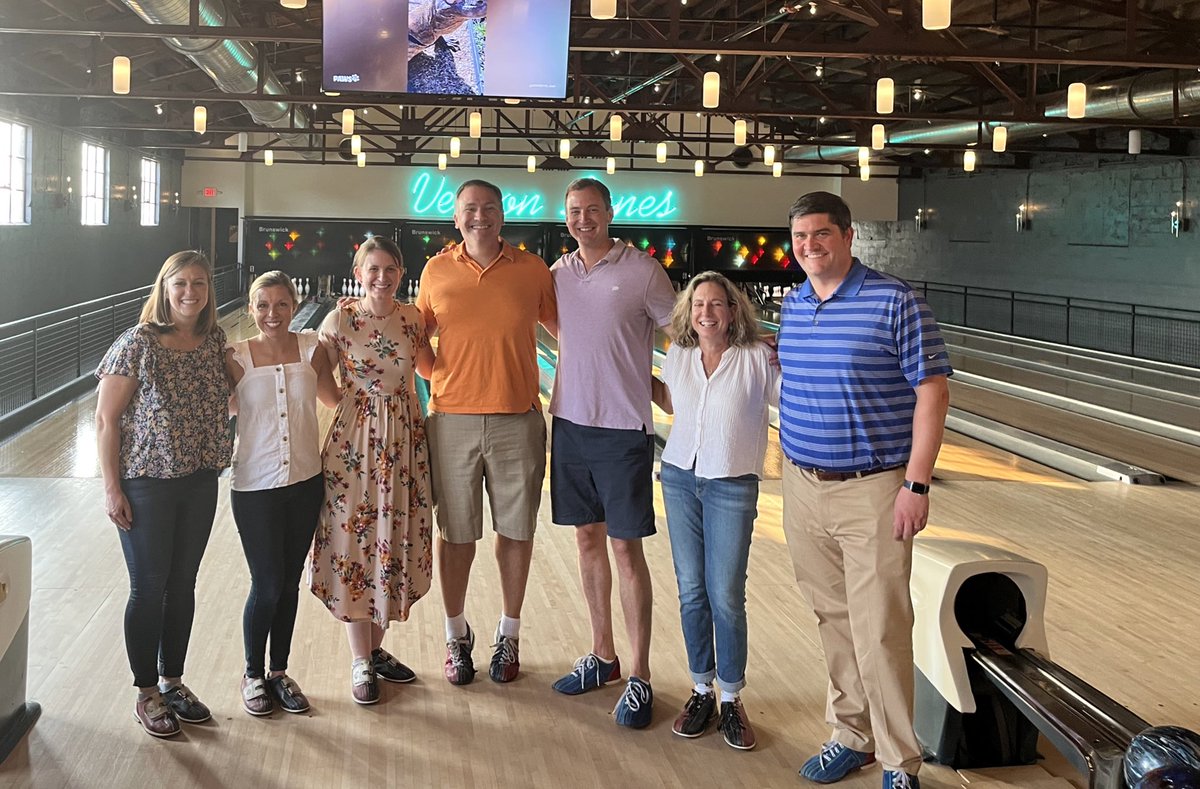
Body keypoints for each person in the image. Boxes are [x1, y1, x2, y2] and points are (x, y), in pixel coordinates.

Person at [776, 192, 951, 789]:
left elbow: (933, 391)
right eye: (800, 237)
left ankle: (900, 761)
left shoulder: (895, 301)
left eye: (821, 234)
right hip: (802, 484)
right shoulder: (794, 304)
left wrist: (916, 483)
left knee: (879, 627)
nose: (810, 246)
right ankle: (851, 736)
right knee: (832, 618)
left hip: (873, 488)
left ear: (848, 236)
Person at [545, 178, 676, 729]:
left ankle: (640, 674)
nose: (583, 219)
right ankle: (603, 656)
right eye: (574, 211)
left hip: (623, 430)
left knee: (625, 550)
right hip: (570, 424)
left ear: (609, 212)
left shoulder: (644, 271)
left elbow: (685, 334)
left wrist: (678, 390)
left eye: (592, 210)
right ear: (566, 217)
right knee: (586, 540)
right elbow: (559, 330)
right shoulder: (558, 273)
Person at [416, 179, 556, 686]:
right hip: (451, 422)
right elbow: (416, 338)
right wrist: (443, 377)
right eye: (470, 209)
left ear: (502, 215)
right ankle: (456, 636)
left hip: (517, 420)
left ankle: (509, 634)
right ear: (456, 218)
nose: (480, 216)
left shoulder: (533, 270)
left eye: (489, 208)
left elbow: (568, 334)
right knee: (455, 535)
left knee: (515, 532)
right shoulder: (435, 270)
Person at [95, 250, 232, 738]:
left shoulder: (214, 341)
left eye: (199, 283)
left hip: (199, 480)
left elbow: (241, 391)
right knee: (149, 587)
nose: (190, 292)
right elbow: (106, 420)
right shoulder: (138, 342)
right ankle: (146, 692)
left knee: (183, 586)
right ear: (165, 288)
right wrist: (112, 488)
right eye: (181, 283)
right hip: (146, 483)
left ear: (208, 290)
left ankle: (173, 681)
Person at [653, 271, 779, 750]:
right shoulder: (679, 355)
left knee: (725, 594)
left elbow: (790, 396)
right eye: (698, 304)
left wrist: (795, 349)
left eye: (716, 304)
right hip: (679, 478)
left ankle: (731, 697)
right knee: (691, 591)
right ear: (689, 312)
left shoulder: (757, 358)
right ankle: (701, 689)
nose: (706, 312)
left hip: (732, 483)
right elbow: (670, 404)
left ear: (732, 311)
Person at [310, 237, 435, 705]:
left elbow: (430, 369)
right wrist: (347, 406)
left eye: (390, 269)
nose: (382, 277)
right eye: (373, 269)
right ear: (358, 273)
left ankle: (376, 650)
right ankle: (360, 660)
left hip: (404, 442)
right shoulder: (339, 319)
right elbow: (317, 371)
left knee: (396, 535)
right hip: (355, 445)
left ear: (401, 273)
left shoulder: (412, 318)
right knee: (355, 540)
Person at [225, 271, 336, 716]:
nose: (273, 314)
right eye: (263, 305)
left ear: (295, 304)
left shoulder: (312, 349)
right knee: (267, 582)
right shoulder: (234, 357)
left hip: (306, 482)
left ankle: (278, 672)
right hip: (255, 486)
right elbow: (214, 407)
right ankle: (252, 673)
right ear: (251, 308)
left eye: (282, 304)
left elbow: (335, 398)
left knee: (289, 583)